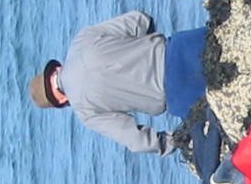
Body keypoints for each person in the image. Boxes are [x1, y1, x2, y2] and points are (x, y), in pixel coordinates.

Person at [29, 12, 207, 154]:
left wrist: (176, 140)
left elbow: (136, 140)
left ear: (59, 101)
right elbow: (140, 20)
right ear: (56, 69)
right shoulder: (82, 39)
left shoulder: (85, 111)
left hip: (181, 95)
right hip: (182, 46)